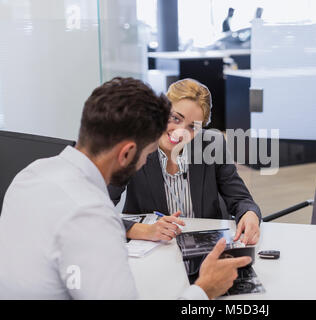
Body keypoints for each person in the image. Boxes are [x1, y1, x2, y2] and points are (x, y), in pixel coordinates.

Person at [0, 77, 251, 299]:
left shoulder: (29, 175)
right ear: (127, 153)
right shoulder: (94, 215)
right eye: (147, 152)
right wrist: (204, 290)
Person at [109, 78, 262, 245]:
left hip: (204, 247)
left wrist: (250, 214)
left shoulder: (212, 144)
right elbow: (97, 207)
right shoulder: (135, 146)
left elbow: (241, 200)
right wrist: (144, 230)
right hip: (150, 249)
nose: (181, 132)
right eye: (175, 118)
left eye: (193, 127)